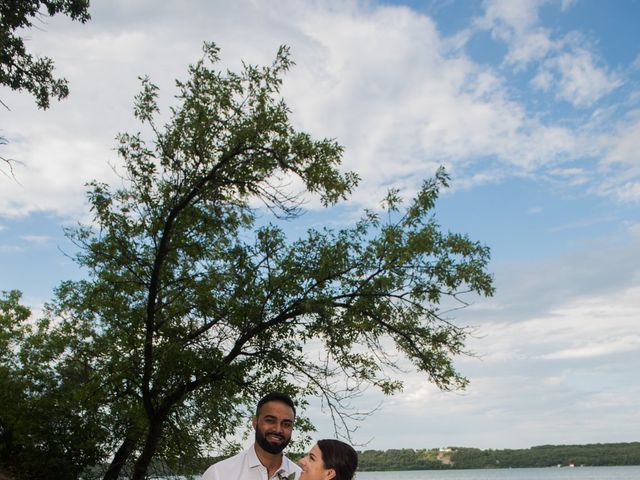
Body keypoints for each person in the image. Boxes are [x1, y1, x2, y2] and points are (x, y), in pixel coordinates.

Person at [201, 392, 302, 480]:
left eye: (286, 424)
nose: (278, 429)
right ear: (255, 423)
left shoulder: (301, 476)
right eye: (270, 420)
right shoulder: (219, 474)